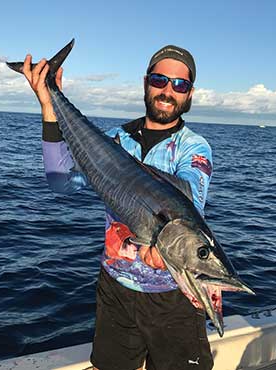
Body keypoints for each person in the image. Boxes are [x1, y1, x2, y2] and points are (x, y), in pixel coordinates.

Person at [23, 44, 214, 370]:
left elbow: (188, 203)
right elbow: (61, 181)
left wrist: (166, 247)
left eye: (179, 84)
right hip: (115, 290)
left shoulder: (193, 148)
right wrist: (47, 102)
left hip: (173, 300)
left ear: (190, 93)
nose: (168, 90)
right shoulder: (116, 140)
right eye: (159, 79)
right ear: (145, 82)